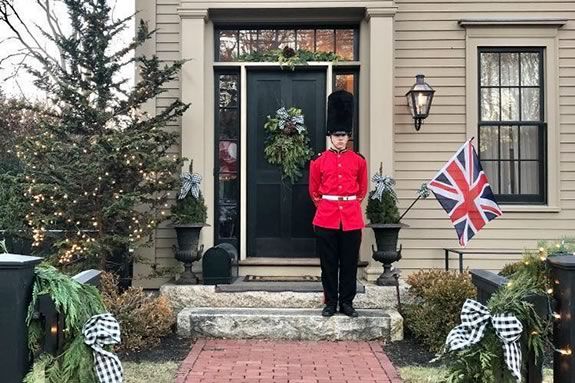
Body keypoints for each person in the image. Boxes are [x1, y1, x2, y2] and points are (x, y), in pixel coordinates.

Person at [309, 89, 367, 318]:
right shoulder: (318, 161)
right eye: (337, 135)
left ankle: (347, 302)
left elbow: (361, 190)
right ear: (330, 136)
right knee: (329, 264)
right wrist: (326, 206)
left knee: (350, 264)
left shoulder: (359, 161)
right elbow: (314, 191)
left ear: (348, 136)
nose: (341, 139)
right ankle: (330, 302)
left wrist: (349, 204)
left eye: (344, 135)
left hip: (351, 218)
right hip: (326, 218)